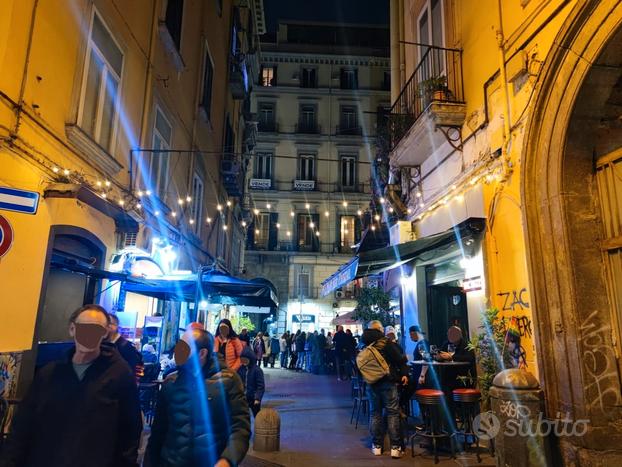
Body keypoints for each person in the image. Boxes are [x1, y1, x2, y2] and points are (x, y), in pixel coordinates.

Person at [1, 305, 142, 467]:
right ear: (72, 329)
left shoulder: (119, 375)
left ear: (104, 334)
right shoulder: (49, 374)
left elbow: (129, 432)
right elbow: (22, 426)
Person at [144, 328, 250, 466]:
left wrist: (227, 460)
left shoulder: (228, 381)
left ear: (202, 353)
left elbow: (240, 428)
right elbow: (158, 432)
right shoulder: (170, 383)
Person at [362, 320, 409, 459]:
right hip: (388, 382)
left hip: (372, 383)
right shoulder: (385, 343)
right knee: (392, 413)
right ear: (379, 330)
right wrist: (404, 367)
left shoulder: (364, 343)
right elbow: (399, 360)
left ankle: (377, 445)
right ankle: (395, 447)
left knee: (375, 413)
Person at [436, 325, 476, 392]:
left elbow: (469, 358)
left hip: (462, 377)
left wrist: (451, 357)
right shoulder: (446, 344)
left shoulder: (467, 344)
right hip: (448, 377)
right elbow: (440, 353)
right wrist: (439, 357)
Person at [107, 313, 143, 379]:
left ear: (116, 326)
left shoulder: (127, 347)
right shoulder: (104, 344)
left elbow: (135, 370)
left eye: (109, 324)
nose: (106, 327)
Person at [238, 347, 265, 417]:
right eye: (242, 360)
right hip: (243, 398)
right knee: (244, 415)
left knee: (257, 415)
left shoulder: (257, 370)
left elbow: (261, 386)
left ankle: (259, 426)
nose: (243, 362)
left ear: (250, 359)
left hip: (253, 398)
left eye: (245, 360)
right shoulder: (241, 369)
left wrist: (257, 398)